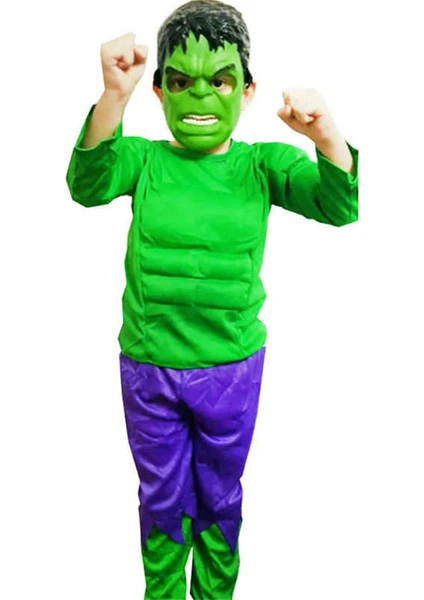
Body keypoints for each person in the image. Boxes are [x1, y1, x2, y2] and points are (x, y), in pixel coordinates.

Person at [65, 1, 358, 598]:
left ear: (247, 91)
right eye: (181, 82)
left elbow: (338, 205)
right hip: (150, 366)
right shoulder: (144, 158)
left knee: (220, 494)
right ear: (160, 91)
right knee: (161, 497)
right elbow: (87, 185)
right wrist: (113, 95)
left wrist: (326, 133)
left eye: (219, 81)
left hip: (231, 370)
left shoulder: (262, 165)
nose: (200, 96)